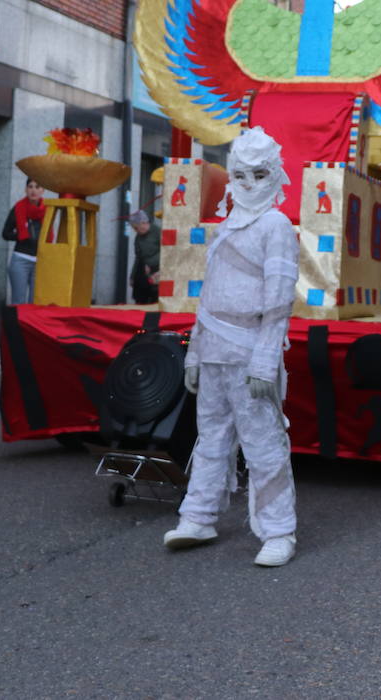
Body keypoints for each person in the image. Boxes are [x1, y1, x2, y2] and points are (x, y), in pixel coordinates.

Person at [164, 126, 300, 568]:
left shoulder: (277, 225)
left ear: (275, 175)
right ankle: (199, 515)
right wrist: (194, 352)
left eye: (259, 176)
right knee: (211, 439)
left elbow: (279, 300)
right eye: (240, 176)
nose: (248, 186)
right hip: (214, 349)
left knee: (263, 443)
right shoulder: (225, 227)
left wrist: (265, 360)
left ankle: (279, 530)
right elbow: (208, 297)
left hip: (249, 354)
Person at [1, 178, 44, 305]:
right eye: (30, 186)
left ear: (43, 190)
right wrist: (21, 235)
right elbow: (5, 234)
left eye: (37, 187)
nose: (33, 190)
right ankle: (16, 325)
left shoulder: (47, 209)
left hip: (40, 261)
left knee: (35, 302)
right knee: (18, 302)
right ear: (26, 189)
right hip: (20, 259)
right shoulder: (18, 208)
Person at [128, 209, 161, 304]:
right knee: (139, 287)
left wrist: (151, 263)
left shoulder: (157, 232)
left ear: (143, 223)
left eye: (136, 228)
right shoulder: (138, 238)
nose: (136, 231)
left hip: (158, 269)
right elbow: (138, 257)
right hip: (144, 271)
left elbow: (166, 252)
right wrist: (132, 276)